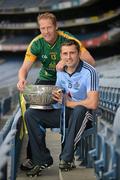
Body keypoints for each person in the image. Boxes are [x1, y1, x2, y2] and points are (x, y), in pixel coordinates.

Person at [17, 12, 95, 171]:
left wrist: (65, 60)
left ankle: (66, 157)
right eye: (42, 28)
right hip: (47, 78)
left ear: (56, 27)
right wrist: (21, 79)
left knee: (68, 111)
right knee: (32, 111)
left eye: (49, 28)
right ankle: (34, 158)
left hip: (66, 76)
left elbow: (91, 61)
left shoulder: (67, 40)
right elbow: (24, 68)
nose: (45, 31)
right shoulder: (36, 43)